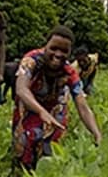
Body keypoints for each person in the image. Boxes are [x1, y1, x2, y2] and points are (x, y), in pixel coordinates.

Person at [13, 26, 101, 169]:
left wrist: (96, 134)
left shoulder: (69, 72)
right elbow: (21, 89)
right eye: (53, 48)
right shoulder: (31, 60)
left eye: (64, 51)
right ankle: (25, 170)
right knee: (25, 145)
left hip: (55, 107)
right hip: (30, 103)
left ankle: (45, 172)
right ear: (46, 46)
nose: (58, 54)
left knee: (51, 147)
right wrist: (41, 112)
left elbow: (82, 106)